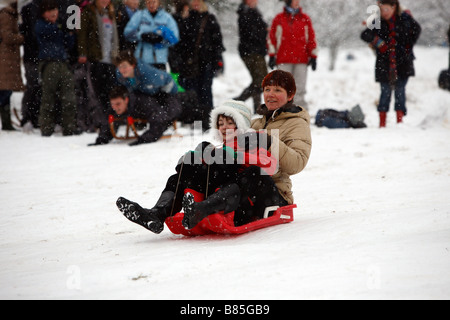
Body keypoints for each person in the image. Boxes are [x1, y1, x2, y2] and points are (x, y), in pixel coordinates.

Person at [116, 99, 280, 233]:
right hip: (223, 201)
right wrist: (191, 162)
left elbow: (270, 166)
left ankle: (201, 209)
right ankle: (158, 213)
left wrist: (236, 157)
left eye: (229, 122)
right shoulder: (219, 149)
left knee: (251, 171)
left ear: (240, 125)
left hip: (247, 204)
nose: (223, 127)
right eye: (220, 123)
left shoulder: (253, 141)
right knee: (184, 172)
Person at [252, 69, 312, 206]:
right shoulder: (256, 123)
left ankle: (204, 210)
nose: (270, 94)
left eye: (277, 90)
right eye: (267, 89)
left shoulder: (297, 123)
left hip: (276, 192)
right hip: (249, 186)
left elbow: (297, 162)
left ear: (290, 95)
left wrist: (269, 143)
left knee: (253, 174)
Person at [361, 0, 421, 127]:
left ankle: (400, 122)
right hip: (384, 64)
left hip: (403, 63)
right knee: (385, 92)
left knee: (400, 91)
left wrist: (407, 47)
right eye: (381, 10)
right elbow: (365, 34)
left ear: (394, 7)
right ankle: (382, 123)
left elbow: (417, 30)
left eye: (386, 9)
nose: (384, 13)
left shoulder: (405, 19)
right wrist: (378, 42)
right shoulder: (378, 22)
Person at [176, 0, 225, 130]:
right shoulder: (186, 19)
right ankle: (197, 120)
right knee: (194, 93)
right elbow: (181, 42)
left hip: (207, 62)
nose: (196, 3)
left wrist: (218, 60)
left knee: (206, 91)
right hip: (191, 64)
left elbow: (217, 41)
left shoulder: (210, 18)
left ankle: (208, 120)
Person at [35, 0, 78, 136]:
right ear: (43, 13)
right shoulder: (41, 25)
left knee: (69, 97)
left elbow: (69, 42)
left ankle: (69, 127)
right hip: (48, 63)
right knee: (48, 98)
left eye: (55, 10)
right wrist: (62, 27)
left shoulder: (60, 25)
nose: (53, 13)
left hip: (63, 63)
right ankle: (46, 128)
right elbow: (49, 33)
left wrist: (70, 32)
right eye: (49, 11)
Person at [89, 85, 181, 147]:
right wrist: (102, 139)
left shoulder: (142, 102)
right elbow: (108, 122)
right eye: (113, 104)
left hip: (172, 103)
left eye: (118, 104)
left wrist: (144, 139)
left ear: (126, 100)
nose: (115, 107)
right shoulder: (115, 106)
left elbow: (159, 120)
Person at [268, 0, 317, 110]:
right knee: (282, 88)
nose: (298, 2)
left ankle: (301, 114)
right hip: (283, 59)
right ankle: (282, 113)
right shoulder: (279, 19)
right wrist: (271, 55)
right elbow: (272, 38)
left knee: (300, 88)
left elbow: (311, 38)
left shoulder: (305, 18)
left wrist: (313, 56)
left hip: (301, 59)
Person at [77, 0, 120, 128]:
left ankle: (112, 120)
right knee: (97, 93)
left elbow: (115, 37)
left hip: (110, 60)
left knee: (110, 92)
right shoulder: (89, 12)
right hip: (96, 58)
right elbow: (82, 34)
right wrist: (82, 53)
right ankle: (99, 122)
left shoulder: (110, 13)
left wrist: (115, 55)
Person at [124, 0, 179, 70]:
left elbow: (175, 38)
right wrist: (141, 36)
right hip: (142, 60)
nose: (151, 5)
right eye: (149, 2)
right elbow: (127, 33)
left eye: (154, 2)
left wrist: (161, 41)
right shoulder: (140, 15)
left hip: (160, 60)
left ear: (159, 2)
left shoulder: (166, 18)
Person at [234, 0, 268, 112]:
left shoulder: (253, 11)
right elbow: (250, 32)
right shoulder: (245, 12)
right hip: (250, 51)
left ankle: (256, 106)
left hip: (255, 50)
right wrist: (264, 31)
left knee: (259, 80)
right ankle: (239, 101)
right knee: (261, 80)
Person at [0, 0, 25, 131]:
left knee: (6, 91)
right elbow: (7, 36)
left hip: (8, 59)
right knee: (4, 92)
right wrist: (22, 37)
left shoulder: (10, 15)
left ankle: (6, 122)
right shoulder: (6, 16)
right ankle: (6, 122)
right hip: (5, 59)